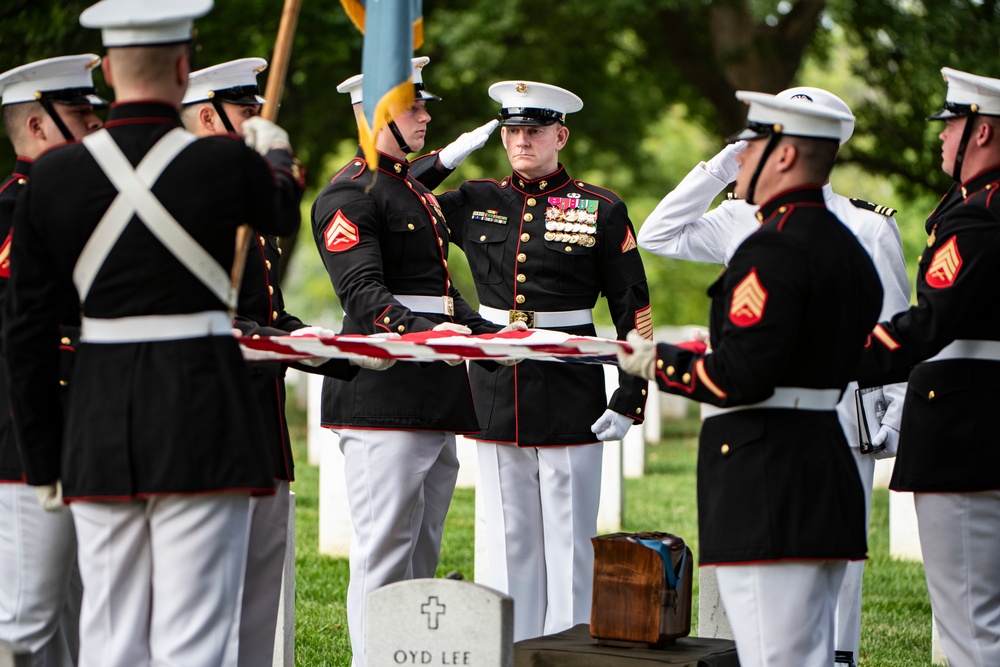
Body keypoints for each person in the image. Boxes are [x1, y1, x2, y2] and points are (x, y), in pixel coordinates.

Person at [3, 0, 300, 663]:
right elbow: (281, 211)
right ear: (183, 66)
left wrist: (45, 459)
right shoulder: (224, 163)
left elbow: (25, 333)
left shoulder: (51, 176)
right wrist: (275, 153)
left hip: (98, 425)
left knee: (110, 637)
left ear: (108, 72)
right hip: (203, 416)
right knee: (195, 640)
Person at [637, 86, 910, 664]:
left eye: (750, 145)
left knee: (776, 646)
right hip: (820, 447)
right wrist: (716, 168)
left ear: (784, 153)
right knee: (806, 638)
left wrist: (654, 362)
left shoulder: (813, 239)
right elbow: (658, 233)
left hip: (781, 453)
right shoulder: (829, 241)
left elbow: (890, 339)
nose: (741, 157)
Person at [182, 57, 391, 667]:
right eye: (248, 112)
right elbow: (201, 317)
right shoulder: (186, 201)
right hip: (210, 429)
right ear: (206, 116)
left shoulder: (245, 204)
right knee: (206, 609)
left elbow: (268, 319)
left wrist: (337, 351)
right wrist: (281, 343)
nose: (259, 124)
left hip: (263, 433)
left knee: (259, 604)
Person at [310, 57, 513, 667]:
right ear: (376, 116)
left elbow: (442, 294)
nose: (426, 117)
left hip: (433, 391)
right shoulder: (349, 193)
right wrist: (434, 334)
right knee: (384, 555)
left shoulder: (411, 190)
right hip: (385, 395)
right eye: (413, 108)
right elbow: (365, 297)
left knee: (421, 552)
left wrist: (494, 335)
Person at [430, 81, 651, 641]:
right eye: (512, 131)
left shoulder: (601, 208)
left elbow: (632, 305)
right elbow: (392, 200)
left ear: (561, 134)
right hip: (497, 378)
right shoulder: (475, 198)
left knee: (571, 535)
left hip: (569, 377)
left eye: (534, 130)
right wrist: (448, 156)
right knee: (508, 535)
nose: (522, 141)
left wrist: (630, 394)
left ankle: (569, 646)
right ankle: (511, 646)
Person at [854, 67, 1000, 667]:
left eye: (952, 125)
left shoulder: (977, 216)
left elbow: (932, 321)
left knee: (970, 622)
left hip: (967, 427)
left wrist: (835, 353)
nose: (941, 137)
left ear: (983, 133)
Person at [0, 53, 106, 667]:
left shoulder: (74, 204)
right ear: (38, 126)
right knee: (24, 620)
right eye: (78, 112)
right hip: (25, 440)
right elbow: (23, 334)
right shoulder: (17, 210)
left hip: (77, 433)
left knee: (74, 623)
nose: (95, 124)